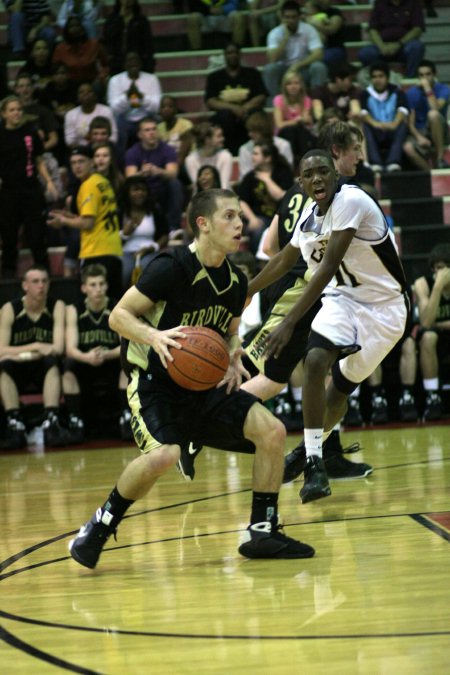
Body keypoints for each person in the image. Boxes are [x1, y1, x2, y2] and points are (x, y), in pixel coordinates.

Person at [68, 188, 315, 569]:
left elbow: (230, 331)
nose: (240, 224)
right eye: (229, 217)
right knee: (164, 455)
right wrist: (155, 336)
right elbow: (119, 316)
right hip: (155, 382)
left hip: (205, 384)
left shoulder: (235, 280)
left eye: (239, 216)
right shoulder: (169, 266)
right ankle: (99, 525)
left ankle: (262, 531)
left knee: (273, 431)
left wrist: (233, 354)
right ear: (203, 224)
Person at [178, 122, 374, 482]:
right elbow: (284, 254)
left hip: (319, 289)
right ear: (336, 155)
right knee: (266, 374)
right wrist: (253, 289)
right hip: (300, 288)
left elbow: (268, 244)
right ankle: (200, 424)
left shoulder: (299, 192)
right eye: (354, 150)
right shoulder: (335, 194)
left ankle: (324, 454)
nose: (359, 157)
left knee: (324, 372)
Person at [245, 149, 408, 504]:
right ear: (301, 183)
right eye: (309, 175)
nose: (317, 179)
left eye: (323, 171)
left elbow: (329, 264)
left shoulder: (351, 200)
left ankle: (306, 451)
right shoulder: (307, 215)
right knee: (316, 360)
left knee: (339, 392)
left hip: (385, 310)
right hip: (344, 300)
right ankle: (315, 464)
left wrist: (289, 323)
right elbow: (284, 259)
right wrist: (245, 292)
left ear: (335, 174)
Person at [0, 266, 69, 450]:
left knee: (52, 362)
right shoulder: (10, 309)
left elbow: (57, 348)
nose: (41, 286)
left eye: (44, 281)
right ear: (25, 285)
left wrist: (18, 353)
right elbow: (1, 350)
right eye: (35, 281)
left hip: (42, 368)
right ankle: (14, 422)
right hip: (18, 367)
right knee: (3, 366)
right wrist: (37, 347)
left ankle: (51, 421)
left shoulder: (57, 306)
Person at [63, 263, 133, 443]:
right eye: (93, 285)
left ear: (107, 286)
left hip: (110, 359)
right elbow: (70, 349)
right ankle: (75, 420)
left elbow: (126, 345)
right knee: (67, 368)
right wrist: (87, 357)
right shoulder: (73, 310)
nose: (98, 289)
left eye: (102, 284)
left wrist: (108, 354)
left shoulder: (117, 307)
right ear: (84, 288)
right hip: (85, 361)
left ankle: (127, 417)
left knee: (128, 362)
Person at [47, 146, 123, 300]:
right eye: (73, 163)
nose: (77, 166)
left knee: (92, 305)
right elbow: (97, 216)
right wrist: (69, 216)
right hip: (114, 251)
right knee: (113, 305)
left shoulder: (88, 185)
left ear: (91, 162)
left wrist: (63, 221)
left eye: (81, 161)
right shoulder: (103, 182)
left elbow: (88, 223)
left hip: (95, 252)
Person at [0, 95, 58, 279]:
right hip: (8, 190)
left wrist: (48, 181)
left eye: (19, 109)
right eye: (12, 110)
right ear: (3, 114)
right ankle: (8, 272)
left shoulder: (30, 131)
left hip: (31, 188)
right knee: (8, 233)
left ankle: (43, 269)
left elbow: (39, 159)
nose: (16, 113)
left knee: (36, 233)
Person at [205, 42, 267, 156]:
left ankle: (260, 150)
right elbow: (210, 101)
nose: (233, 55)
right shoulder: (214, 77)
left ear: (240, 55)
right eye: (229, 53)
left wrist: (244, 108)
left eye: (235, 52)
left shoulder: (253, 73)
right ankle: (228, 152)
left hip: (248, 112)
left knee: (256, 115)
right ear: (224, 55)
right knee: (224, 116)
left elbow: (261, 96)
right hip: (226, 115)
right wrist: (233, 108)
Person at [262, 0, 328, 101]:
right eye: (287, 17)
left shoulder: (309, 30)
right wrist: (285, 39)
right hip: (283, 70)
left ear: (299, 16)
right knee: (269, 69)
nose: (291, 20)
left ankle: (317, 100)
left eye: (293, 17)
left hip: (303, 69)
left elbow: (318, 54)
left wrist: (297, 66)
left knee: (318, 67)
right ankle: (274, 101)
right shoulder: (274, 33)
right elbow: (272, 59)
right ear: (282, 17)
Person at [414, 243, 450, 421]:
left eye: (443, 269)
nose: (439, 274)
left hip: (442, 331)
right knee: (427, 337)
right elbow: (427, 322)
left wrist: (440, 323)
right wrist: (438, 287)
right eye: (436, 269)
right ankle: (433, 396)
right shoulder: (423, 284)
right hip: (435, 336)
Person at [236, 141, 294, 254]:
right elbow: (242, 201)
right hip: (260, 218)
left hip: (281, 217)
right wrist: (252, 219)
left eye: (256, 154)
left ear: (267, 158)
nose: (252, 157)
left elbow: (280, 196)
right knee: (258, 230)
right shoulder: (250, 177)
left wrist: (266, 180)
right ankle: (260, 265)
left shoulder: (283, 173)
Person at [107, 52, 162, 159]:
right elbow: (113, 109)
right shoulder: (115, 80)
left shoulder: (151, 79)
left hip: (146, 117)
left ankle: (156, 157)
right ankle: (121, 162)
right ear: (124, 64)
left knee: (157, 121)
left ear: (141, 63)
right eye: (130, 61)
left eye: (136, 60)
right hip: (124, 118)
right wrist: (127, 97)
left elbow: (156, 107)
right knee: (116, 123)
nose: (133, 63)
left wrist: (141, 97)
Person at [119, 175, 169, 290]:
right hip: (125, 253)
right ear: (127, 193)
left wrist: (152, 247)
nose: (140, 193)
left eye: (143, 190)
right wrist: (124, 234)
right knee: (122, 271)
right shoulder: (120, 212)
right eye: (135, 190)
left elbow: (165, 235)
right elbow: (111, 239)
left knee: (146, 268)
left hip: (149, 252)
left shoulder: (154, 211)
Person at [360, 61, 409, 172]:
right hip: (375, 129)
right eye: (374, 77)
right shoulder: (365, 94)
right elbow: (364, 113)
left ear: (387, 77)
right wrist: (375, 124)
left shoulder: (397, 91)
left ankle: (393, 161)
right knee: (364, 125)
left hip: (393, 129)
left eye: (381, 76)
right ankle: (375, 163)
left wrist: (394, 124)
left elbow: (403, 110)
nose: (377, 80)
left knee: (403, 124)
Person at [358, 0, 425, 79]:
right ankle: (379, 77)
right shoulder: (380, 3)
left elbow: (417, 29)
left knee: (416, 47)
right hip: (383, 47)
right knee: (365, 53)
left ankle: (410, 78)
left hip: (404, 47)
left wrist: (398, 44)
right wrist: (381, 46)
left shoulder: (413, 3)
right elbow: (372, 29)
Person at [403, 59, 450, 170]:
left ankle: (440, 159)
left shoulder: (443, 89)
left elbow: (436, 107)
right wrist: (418, 137)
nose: (424, 77)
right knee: (407, 147)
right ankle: (430, 172)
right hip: (421, 131)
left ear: (434, 75)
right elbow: (410, 121)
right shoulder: (411, 93)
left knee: (433, 114)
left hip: (440, 129)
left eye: (428, 74)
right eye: (421, 75)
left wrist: (427, 88)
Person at [52, 16, 109, 90]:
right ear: (66, 30)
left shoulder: (94, 44)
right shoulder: (60, 49)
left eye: (77, 25)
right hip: (70, 85)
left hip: (92, 83)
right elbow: (55, 70)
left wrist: (101, 76)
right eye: (71, 26)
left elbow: (106, 64)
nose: (75, 29)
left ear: (82, 28)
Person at [272, 70, 315, 166]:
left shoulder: (306, 100)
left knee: (301, 131)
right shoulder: (278, 99)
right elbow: (279, 124)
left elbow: (306, 121)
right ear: (284, 86)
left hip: (301, 134)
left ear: (301, 85)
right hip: (284, 134)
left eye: (296, 83)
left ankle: (305, 163)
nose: (293, 86)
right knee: (290, 130)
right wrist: (298, 120)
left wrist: (300, 121)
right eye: (289, 84)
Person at [102, 0, 155, 75]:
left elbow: (148, 44)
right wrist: (120, 17)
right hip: (117, 63)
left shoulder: (141, 20)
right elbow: (108, 37)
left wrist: (149, 65)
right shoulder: (112, 19)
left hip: (137, 63)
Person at [238, 110, 293, 179]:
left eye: (254, 131)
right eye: (249, 131)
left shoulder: (283, 145)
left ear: (264, 130)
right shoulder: (244, 149)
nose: (250, 134)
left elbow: (288, 172)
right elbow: (244, 176)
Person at [14, 71, 59, 153]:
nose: (25, 89)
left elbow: (54, 139)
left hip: (40, 154)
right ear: (16, 89)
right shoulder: (11, 112)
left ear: (33, 88)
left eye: (28, 85)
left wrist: (36, 151)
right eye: (21, 86)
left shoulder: (44, 111)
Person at [64, 82, 118, 149]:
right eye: (81, 92)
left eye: (89, 91)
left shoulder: (106, 111)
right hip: (81, 150)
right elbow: (69, 142)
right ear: (77, 97)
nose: (85, 94)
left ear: (95, 96)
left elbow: (113, 138)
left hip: (104, 148)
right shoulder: (70, 115)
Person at [184, 122, 234, 190]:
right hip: (202, 197)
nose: (223, 139)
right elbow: (200, 186)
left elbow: (224, 186)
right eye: (219, 136)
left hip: (224, 196)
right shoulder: (191, 159)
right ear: (207, 140)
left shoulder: (225, 156)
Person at [301, 0, 347, 66]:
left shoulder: (335, 12)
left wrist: (314, 24)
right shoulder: (305, 16)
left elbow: (331, 30)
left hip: (332, 47)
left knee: (320, 58)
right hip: (312, 48)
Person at [157, 95, 194, 169]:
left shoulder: (185, 125)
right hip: (168, 162)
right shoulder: (158, 128)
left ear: (176, 109)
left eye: (170, 107)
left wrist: (170, 170)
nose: (166, 109)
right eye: (163, 107)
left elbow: (183, 155)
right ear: (159, 110)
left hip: (185, 162)